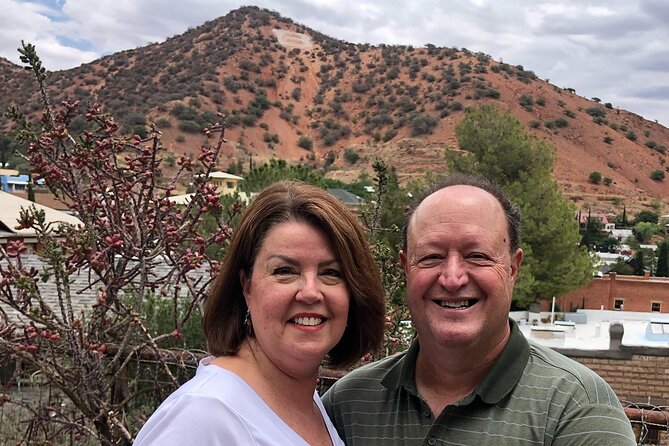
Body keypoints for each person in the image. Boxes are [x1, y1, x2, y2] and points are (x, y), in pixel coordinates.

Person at [322, 174, 636, 445]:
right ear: (406, 268)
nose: (452, 278)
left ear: (513, 268)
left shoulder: (577, 409)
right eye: (431, 256)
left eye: (477, 256)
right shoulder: (349, 403)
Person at [135, 180, 386, 445]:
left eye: (331, 273)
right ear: (246, 286)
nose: (311, 292)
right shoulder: (205, 416)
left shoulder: (308, 405)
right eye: (285, 271)